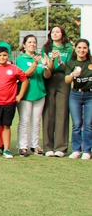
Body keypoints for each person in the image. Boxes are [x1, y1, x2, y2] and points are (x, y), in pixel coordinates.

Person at [0, 47, 29, 158]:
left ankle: (6, 149)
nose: (2, 57)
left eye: (4, 55)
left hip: (9, 102)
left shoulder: (14, 69)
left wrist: (20, 95)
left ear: (8, 56)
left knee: (6, 125)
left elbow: (25, 80)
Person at [15, 35, 49, 156]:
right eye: (29, 42)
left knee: (36, 121)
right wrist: (35, 63)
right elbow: (25, 74)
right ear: (24, 45)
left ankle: (34, 145)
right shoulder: (21, 59)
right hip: (26, 94)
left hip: (39, 92)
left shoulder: (40, 58)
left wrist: (45, 65)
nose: (32, 44)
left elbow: (46, 75)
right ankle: (22, 146)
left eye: (34, 42)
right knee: (24, 121)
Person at [41, 25, 72, 157]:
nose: (55, 34)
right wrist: (52, 60)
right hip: (49, 77)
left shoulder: (69, 48)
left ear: (62, 34)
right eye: (53, 32)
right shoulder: (46, 48)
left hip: (63, 78)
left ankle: (61, 147)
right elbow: (46, 66)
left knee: (62, 111)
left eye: (57, 32)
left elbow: (69, 67)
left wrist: (59, 59)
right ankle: (48, 146)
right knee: (48, 111)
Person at [65, 38, 92, 159]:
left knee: (88, 124)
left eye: (84, 48)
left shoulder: (90, 62)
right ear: (75, 48)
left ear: (88, 49)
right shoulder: (71, 62)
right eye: (79, 48)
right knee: (76, 124)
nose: (82, 50)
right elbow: (66, 80)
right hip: (75, 95)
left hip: (90, 95)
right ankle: (76, 149)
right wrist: (72, 75)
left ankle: (87, 150)